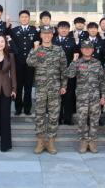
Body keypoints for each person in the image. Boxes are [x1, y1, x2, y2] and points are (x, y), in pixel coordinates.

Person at [27, 25, 67, 155]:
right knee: (39, 115)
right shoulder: (37, 49)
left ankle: (50, 142)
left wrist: (63, 86)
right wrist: (36, 49)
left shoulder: (58, 50)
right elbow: (30, 62)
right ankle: (40, 142)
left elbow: (64, 70)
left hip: (55, 89)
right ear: (41, 35)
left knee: (54, 116)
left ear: (52, 35)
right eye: (44, 33)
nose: (46, 35)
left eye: (49, 33)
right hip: (41, 89)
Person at [65, 41, 105, 153]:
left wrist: (103, 96)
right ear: (81, 50)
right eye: (84, 48)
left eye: (89, 48)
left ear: (93, 50)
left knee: (94, 120)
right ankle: (83, 141)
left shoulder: (97, 63)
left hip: (95, 97)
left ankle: (92, 141)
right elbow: (69, 74)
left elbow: (102, 81)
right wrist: (73, 61)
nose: (87, 50)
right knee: (82, 120)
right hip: (82, 97)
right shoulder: (77, 62)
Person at [9, 10, 38, 116]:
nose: (24, 18)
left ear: (29, 18)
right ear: (19, 19)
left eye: (26, 17)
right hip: (18, 63)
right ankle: (18, 108)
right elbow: (11, 45)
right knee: (18, 87)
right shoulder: (14, 30)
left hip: (30, 63)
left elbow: (36, 46)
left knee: (28, 87)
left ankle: (27, 109)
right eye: (22, 17)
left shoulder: (34, 30)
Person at [55, 21, 79, 125]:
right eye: (61, 28)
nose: (64, 30)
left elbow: (77, 55)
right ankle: (58, 118)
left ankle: (68, 118)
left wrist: (77, 42)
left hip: (69, 73)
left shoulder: (73, 41)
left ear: (69, 30)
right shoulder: (53, 40)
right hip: (55, 74)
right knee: (57, 96)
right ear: (58, 29)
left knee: (69, 96)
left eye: (66, 28)